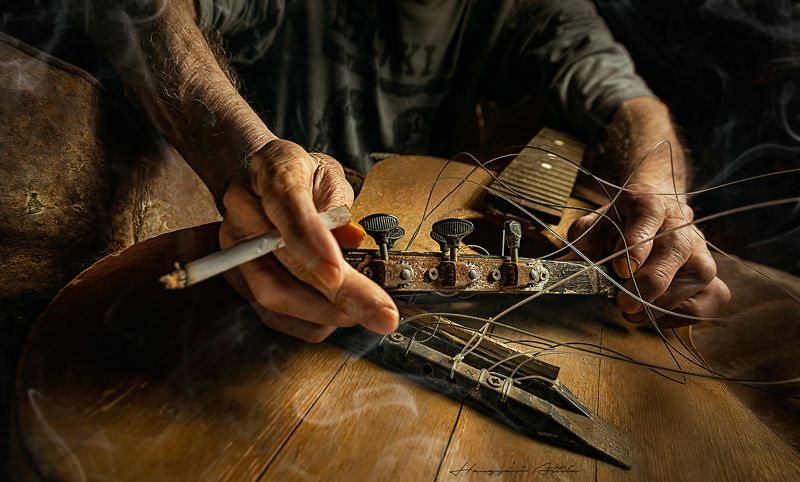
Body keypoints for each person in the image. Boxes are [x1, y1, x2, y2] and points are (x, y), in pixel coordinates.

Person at [66, 0, 730, 341]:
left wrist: (660, 195)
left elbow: (632, 102)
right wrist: (245, 156)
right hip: (234, 254)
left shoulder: (530, 8)